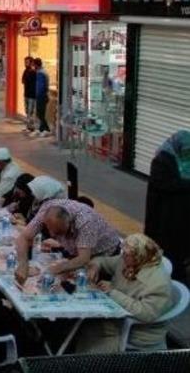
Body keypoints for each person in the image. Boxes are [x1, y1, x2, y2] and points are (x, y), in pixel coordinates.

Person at [76, 234, 175, 353]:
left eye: (127, 254)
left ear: (139, 256)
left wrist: (112, 292)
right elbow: (102, 260)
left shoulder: (158, 282)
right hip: (117, 320)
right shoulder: (127, 261)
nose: (122, 256)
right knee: (83, 327)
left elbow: (146, 313)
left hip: (137, 333)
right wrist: (95, 267)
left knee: (89, 349)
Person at [14, 199, 122, 285]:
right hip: (79, 252)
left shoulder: (86, 222)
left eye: (58, 233)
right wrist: (23, 264)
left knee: (85, 287)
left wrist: (56, 269)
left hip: (103, 254)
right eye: (49, 228)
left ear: (69, 223)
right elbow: (23, 238)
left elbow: (83, 259)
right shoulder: (47, 209)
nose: (52, 235)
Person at [144, 130, 190, 282]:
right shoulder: (162, 159)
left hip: (179, 213)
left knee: (178, 246)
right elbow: (164, 184)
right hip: (163, 215)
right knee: (167, 248)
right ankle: (167, 278)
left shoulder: (182, 158)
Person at [33, 58, 50, 136]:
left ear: (36, 65)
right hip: (43, 95)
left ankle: (46, 129)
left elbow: (41, 86)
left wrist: (37, 95)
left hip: (41, 96)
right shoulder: (42, 72)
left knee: (40, 113)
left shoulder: (40, 73)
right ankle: (41, 128)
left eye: (34, 64)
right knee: (40, 113)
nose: (33, 66)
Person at [22, 56, 37, 132]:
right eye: (25, 62)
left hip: (32, 95)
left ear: (31, 63)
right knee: (27, 110)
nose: (26, 64)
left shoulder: (34, 72)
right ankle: (28, 126)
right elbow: (23, 81)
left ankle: (31, 127)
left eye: (27, 62)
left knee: (31, 111)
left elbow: (32, 83)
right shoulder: (25, 71)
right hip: (26, 94)